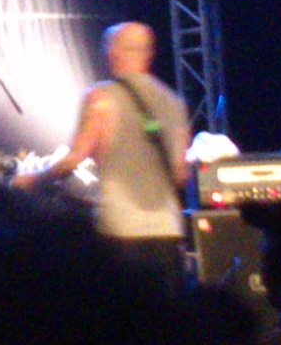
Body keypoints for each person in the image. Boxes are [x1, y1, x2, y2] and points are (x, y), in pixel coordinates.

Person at [15, 21, 191, 286]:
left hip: (121, 232)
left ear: (114, 53)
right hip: (168, 232)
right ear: (149, 54)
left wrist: (33, 179)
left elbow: (74, 159)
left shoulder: (101, 98)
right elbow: (180, 175)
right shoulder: (175, 102)